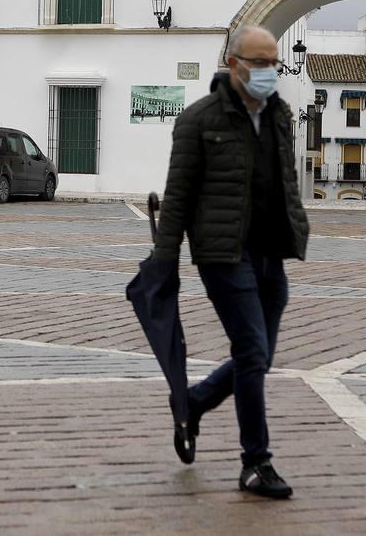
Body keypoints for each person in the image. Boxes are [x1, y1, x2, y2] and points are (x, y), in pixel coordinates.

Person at [152, 25, 310, 500]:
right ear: (234, 62)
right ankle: (255, 463)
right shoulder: (199, 119)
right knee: (251, 351)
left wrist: (297, 225)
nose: (268, 72)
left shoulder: (280, 115)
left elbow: (284, 180)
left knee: (255, 357)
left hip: (271, 253)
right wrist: (165, 259)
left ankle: (195, 403)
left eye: (273, 63)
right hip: (223, 253)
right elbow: (178, 196)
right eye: (259, 63)